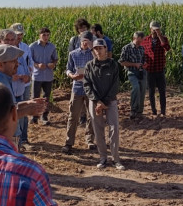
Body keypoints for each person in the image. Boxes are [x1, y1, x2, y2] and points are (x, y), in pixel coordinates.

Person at [0, 44, 47, 147]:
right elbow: (2, 116)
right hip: (3, 140)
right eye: (13, 61)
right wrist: (27, 110)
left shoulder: (3, 79)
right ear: (0, 65)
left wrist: (28, 103)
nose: (18, 64)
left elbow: (9, 107)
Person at [85, 38, 123, 170]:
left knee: (114, 128)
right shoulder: (89, 65)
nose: (98, 51)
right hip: (95, 102)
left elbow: (115, 84)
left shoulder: (113, 65)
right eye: (96, 49)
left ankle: (116, 159)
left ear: (106, 49)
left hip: (110, 101)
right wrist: (97, 101)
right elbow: (87, 85)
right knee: (98, 129)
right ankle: (103, 158)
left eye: (100, 48)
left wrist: (105, 101)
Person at [63, 32, 96, 153]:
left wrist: (92, 49)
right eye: (84, 41)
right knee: (73, 116)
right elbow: (68, 69)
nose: (85, 43)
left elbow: (99, 63)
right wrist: (72, 75)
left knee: (92, 115)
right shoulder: (73, 54)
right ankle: (69, 142)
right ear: (80, 41)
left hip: (90, 88)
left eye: (88, 41)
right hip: (77, 87)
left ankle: (90, 140)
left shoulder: (94, 53)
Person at [9, 23, 34, 147]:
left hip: (24, 84)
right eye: (17, 35)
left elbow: (30, 63)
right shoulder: (8, 50)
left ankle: (24, 138)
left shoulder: (25, 47)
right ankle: (15, 140)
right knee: (13, 112)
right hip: (12, 85)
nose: (19, 37)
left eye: (21, 34)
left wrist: (28, 74)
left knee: (24, 111)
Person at [140, 20, 170, 117]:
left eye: (157, 29)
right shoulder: (145, 40)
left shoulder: (163, 39)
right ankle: (153, 111)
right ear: (150, 29)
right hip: (150, 70)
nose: (155, 31)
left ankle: (163, 111)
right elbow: (142, 53)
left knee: (162, 91)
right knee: (151, 92)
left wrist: (160, 36)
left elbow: (167, 48)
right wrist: (143, 63)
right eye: (154, 29)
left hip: (160, 69)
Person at [29, 27, 58, 125]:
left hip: (48, 76)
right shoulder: (33, 46)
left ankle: (44, 117)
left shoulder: (52, 47)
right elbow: (30, 60)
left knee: (46, 98)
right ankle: (34, 117)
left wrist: (53, 64)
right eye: (44, 35)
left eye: (47, 35)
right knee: (35, 97)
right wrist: (37, 65)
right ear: (39, 35)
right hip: (37, 75)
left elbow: (55, 59)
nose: (46, 37)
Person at [119, 31, 147, 120]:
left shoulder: (141, 48)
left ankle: (139, 111)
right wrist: (135, 64)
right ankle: (133, 109)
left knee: (142, 90)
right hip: (132, 72)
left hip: (141, 72)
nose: (141, 42)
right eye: (140, 40)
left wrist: (144, 64)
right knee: (136, 88)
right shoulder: (127, 48)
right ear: (135, 38)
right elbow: (122, 62)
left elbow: (143, 59)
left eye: (142, 40)